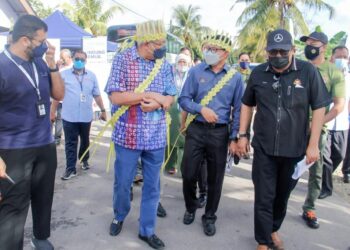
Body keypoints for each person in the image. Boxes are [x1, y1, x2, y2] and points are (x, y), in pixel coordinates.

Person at [237, 29, 331, 250]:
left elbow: (319, 108)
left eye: (283, 50)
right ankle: (263, 241)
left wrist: (313, 144)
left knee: (281, 197)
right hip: (264, 148)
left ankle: (272, 230)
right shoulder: (258, 73)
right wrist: (242, 135)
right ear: (267, 51)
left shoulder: (308, 72)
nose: (278, 54)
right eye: (273, 51)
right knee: (263, 196)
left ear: (293, 50)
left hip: (294, 149)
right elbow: (246, 104)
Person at [105, 20, 176, 249]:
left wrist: (158, 102)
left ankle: (147, 230)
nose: (162, 48)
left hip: (155, 137)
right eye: (159, 44)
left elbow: (170, 98)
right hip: (128, 136)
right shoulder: (123, 60)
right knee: (124, 183)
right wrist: (150, 95)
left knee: (152, 186)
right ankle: (119, 215)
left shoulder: (164, 64)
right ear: (145, 43)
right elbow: (116, 97)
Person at [0, 15, 64, 250]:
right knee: (14, 205)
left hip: (44, 143)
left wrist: (52, 63)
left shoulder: (39, 63)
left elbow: (59, 95)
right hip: (13, 148)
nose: (45, 45)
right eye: (42, 41)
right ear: (26, 40)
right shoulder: (2, 66)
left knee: (43, 196)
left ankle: (40, 237)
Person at [179, 33, 244, 236]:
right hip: (196, 129)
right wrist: (200, 109)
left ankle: (209, 217)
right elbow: (183, 99)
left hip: (219, 133)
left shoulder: (235, 78)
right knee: (188, 172)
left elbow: (240, 110)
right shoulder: (196, 71)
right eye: (208, 48)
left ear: (226, 53)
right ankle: (191, 207)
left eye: (214, 49)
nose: (209, 52)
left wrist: (234, 138)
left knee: (216, 179)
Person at [298, 32, 346, 228]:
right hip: (294, 127)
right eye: (307, 42)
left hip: (319, 130)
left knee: (316, 170)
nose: (309, 45)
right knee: (284, 165)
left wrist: (315, 124)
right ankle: (277, 204)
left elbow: (338, 106)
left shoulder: (334, 72)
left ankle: (309, 207)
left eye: (313, 43)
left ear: (324, 47)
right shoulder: (298, 68)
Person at [51, 49, 106, 180]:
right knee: (70, 142)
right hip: (69, 116)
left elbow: (97, 94)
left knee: (85, 140)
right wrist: (52, 111)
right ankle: (70, 169)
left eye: (82, 59)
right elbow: (57, 96)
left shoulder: (91, 76)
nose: (79, 61)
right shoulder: (63, 75)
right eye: (77, 59)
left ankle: (84, 159)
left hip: (86, 116)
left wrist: (103, 110)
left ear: (86, 61)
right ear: (73, 59)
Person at [320, 45, 350, 196]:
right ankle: (325, 188)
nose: (342, 60)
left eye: (345, 57)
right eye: (339, 57)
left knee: (339, 155)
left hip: (343, 124)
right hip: (326, 123)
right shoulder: (326, 75)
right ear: (332, 57)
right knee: (325, 158)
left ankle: (320, 176)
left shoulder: (349, 79)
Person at [51, 49, 74, 145]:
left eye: (63, 58)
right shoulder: (60, 69)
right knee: (59, 118)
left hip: (71, 100)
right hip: (60, 100)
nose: (62, 60)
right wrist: (56, 66)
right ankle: (57, 137)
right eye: (60, 57)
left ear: (69, 58)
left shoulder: (75, 68)